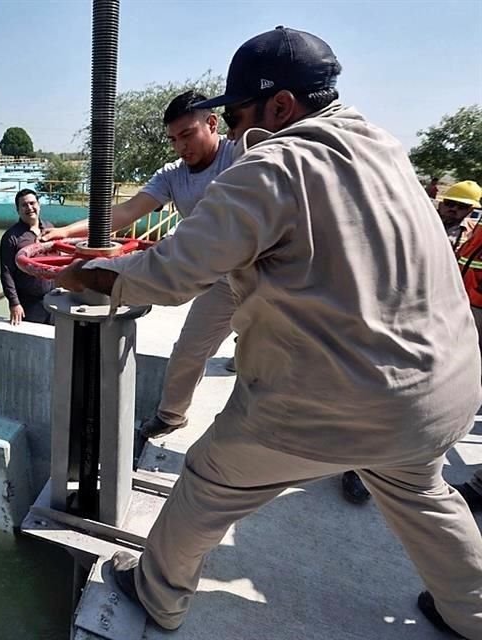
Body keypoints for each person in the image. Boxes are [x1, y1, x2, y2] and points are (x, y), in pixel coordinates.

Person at [56, 26, 482, 638]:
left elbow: (172, 273)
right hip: (442, 393)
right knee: (420, 490)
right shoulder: (385, 147)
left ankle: (157, 594)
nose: (233, 133)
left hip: (337, 402)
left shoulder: (274, 165)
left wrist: (90, 276)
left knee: (207, 481)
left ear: (281, 107)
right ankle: (472, 612)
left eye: (236, 117)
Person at [43, 90, 237, 449]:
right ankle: (171, 415)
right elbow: (123, 214)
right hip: (219, 279)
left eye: (187, 135)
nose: (180, 146)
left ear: (213, 123)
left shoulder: (241, 155)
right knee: (190, 350)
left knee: (302, 360)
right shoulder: (173, 176)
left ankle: (363, 459)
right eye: (173, 139)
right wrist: (67, 232)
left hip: (262, 270)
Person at [443, 180, 482, 514]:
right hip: (456, 308)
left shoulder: (469, 230)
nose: (452, 210)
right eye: (449, 203)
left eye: (460, 206)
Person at [0, 189, 54, 325]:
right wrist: (14, 303)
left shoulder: (49, 228)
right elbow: (6, 273)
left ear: (39, 205)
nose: (29, 208)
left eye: (32, 203)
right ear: (18, 210)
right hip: (29, 303)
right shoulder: (11, 237)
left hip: (54, 296)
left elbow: (58, 260)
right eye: (24, 205)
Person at [439, 181, 482, 251]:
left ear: (470, 210)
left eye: (462, 206)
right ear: (440, 204)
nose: (454, 209)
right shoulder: (422, 222)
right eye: (450, 203)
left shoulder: (473, 232)